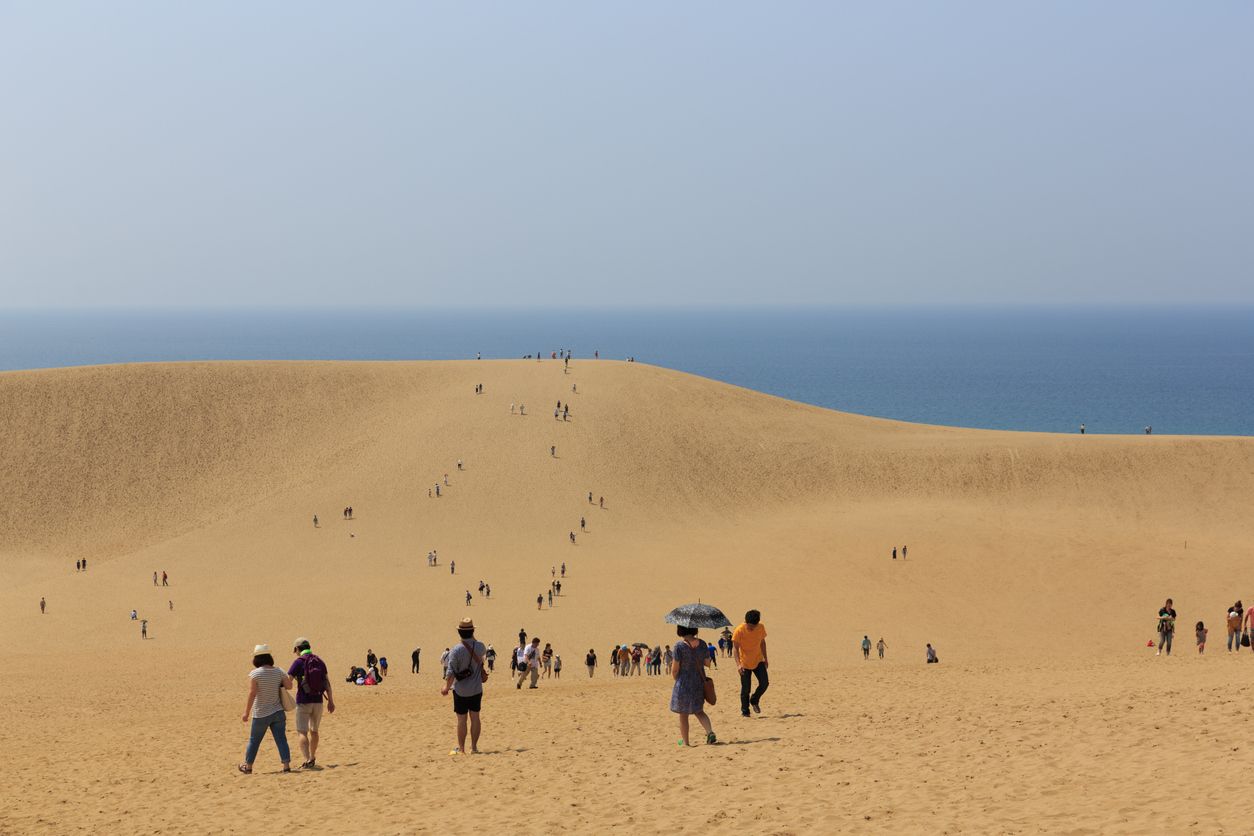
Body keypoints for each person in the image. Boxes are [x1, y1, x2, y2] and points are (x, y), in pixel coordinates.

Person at [239, 643, 293, 774]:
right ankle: (286, 765)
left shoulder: (255, 674)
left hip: (261, 713)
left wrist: (246, 712)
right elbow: (289, 686)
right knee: (281, 739)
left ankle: (248, 766)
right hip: (278, 711)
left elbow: (252, 693)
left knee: (254, 740)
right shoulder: (279, 671)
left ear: (256, 659)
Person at [441, 617, 487, 755]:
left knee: (461, 720)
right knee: (475, 717)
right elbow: (479, 652)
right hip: (476, 689)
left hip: (460, 691)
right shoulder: (480, 646)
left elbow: (451, 672)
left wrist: (446, 688)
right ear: (473, 631)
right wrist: (471, 636)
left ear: (459, 632)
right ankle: (474, 747)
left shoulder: (455, 650)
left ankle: (462, 749)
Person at [288, 637, 335, 769]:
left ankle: (308, 759)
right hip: (318, 701)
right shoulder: (320, 661)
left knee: (302, 732)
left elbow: (288, 681)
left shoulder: (298, 662)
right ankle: (313, 756)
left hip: (303, 701)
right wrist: (331, 701)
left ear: (297, 649)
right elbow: (327, 683)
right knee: (314, 731)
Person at [670, 625, 716, 746]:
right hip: (698, 681)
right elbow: (707, 663)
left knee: (683, 714)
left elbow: (675, 669)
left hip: (683, 682)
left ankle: (686, 743)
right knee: (699, 711)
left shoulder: (679, 646)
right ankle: (710, 732)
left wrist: (677, 680)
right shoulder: (702, 644)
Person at [732, 609, 769, 717]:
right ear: (745, 622)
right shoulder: (739, 630)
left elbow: (763, 643)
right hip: (744, 663)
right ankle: (745, 711)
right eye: (749, 626)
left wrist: (766, 658)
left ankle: (754, 700)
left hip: (758, 660)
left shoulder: (761, 627)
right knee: (745, 689)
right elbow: (735, 648)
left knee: (764, 683)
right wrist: (738, 664)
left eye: (753, 627)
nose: (751, 629)